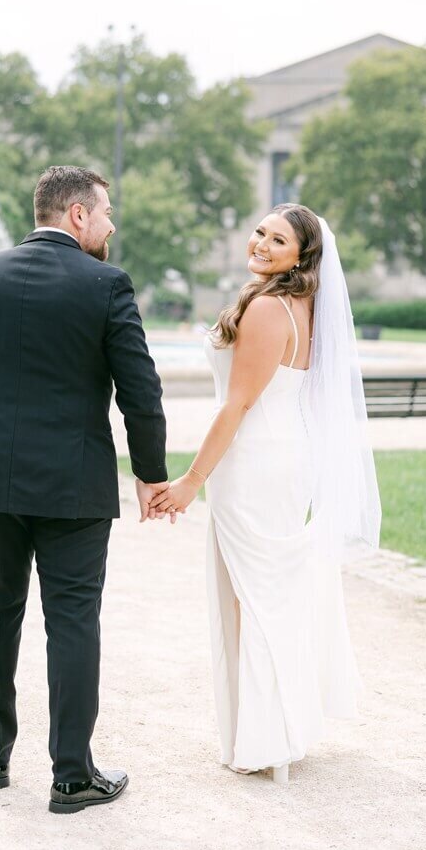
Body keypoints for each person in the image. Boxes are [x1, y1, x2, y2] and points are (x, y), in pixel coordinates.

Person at [0, 166, 171, 814]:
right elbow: (141, 393)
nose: (112, 223)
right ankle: (72, 774)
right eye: (107, 211)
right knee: (71, 624)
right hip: (75, 487)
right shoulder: (107, 284)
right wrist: (151, 474)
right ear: (76, 215)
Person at [152, 204, 380, 781]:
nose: (261, 243)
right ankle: (274, 732)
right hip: (284, 456)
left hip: (253, 461)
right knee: (271, 592)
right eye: (259, 231)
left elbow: (239, 403)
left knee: (251, 598)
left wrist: (190, 482)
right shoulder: (302, 303)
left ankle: (266, 738)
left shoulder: (268, 308)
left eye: (277, 240)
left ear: (300, 255)